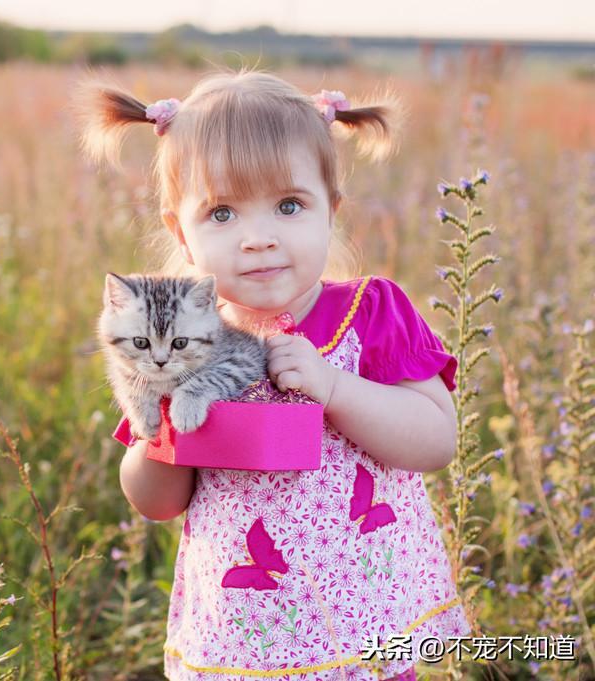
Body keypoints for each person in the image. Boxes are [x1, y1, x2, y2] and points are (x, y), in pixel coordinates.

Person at [72, 67, 471, 681]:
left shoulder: (371, 311)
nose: (258, 239)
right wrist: (157, 436)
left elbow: (435, 440)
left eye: (288, 205)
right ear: (181, 232)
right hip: (245, 633)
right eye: (223, 213)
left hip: (369, 618)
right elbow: (157, 503)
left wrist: (336, 388)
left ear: (330, 211)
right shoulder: (175, 341)